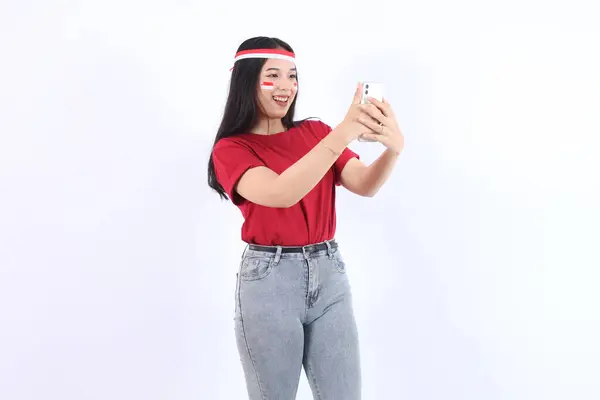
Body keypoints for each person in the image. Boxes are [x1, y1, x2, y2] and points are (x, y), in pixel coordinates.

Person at [208, 36, 404, 400]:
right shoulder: (231, 149)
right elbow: (281, 192)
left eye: (292, 76)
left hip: (329, 274)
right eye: (273, 76)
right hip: (269, 282)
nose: (285, 87)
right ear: (247, 80)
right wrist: (346, 130)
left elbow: (363, 183)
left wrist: (393, 151)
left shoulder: (316, 132)